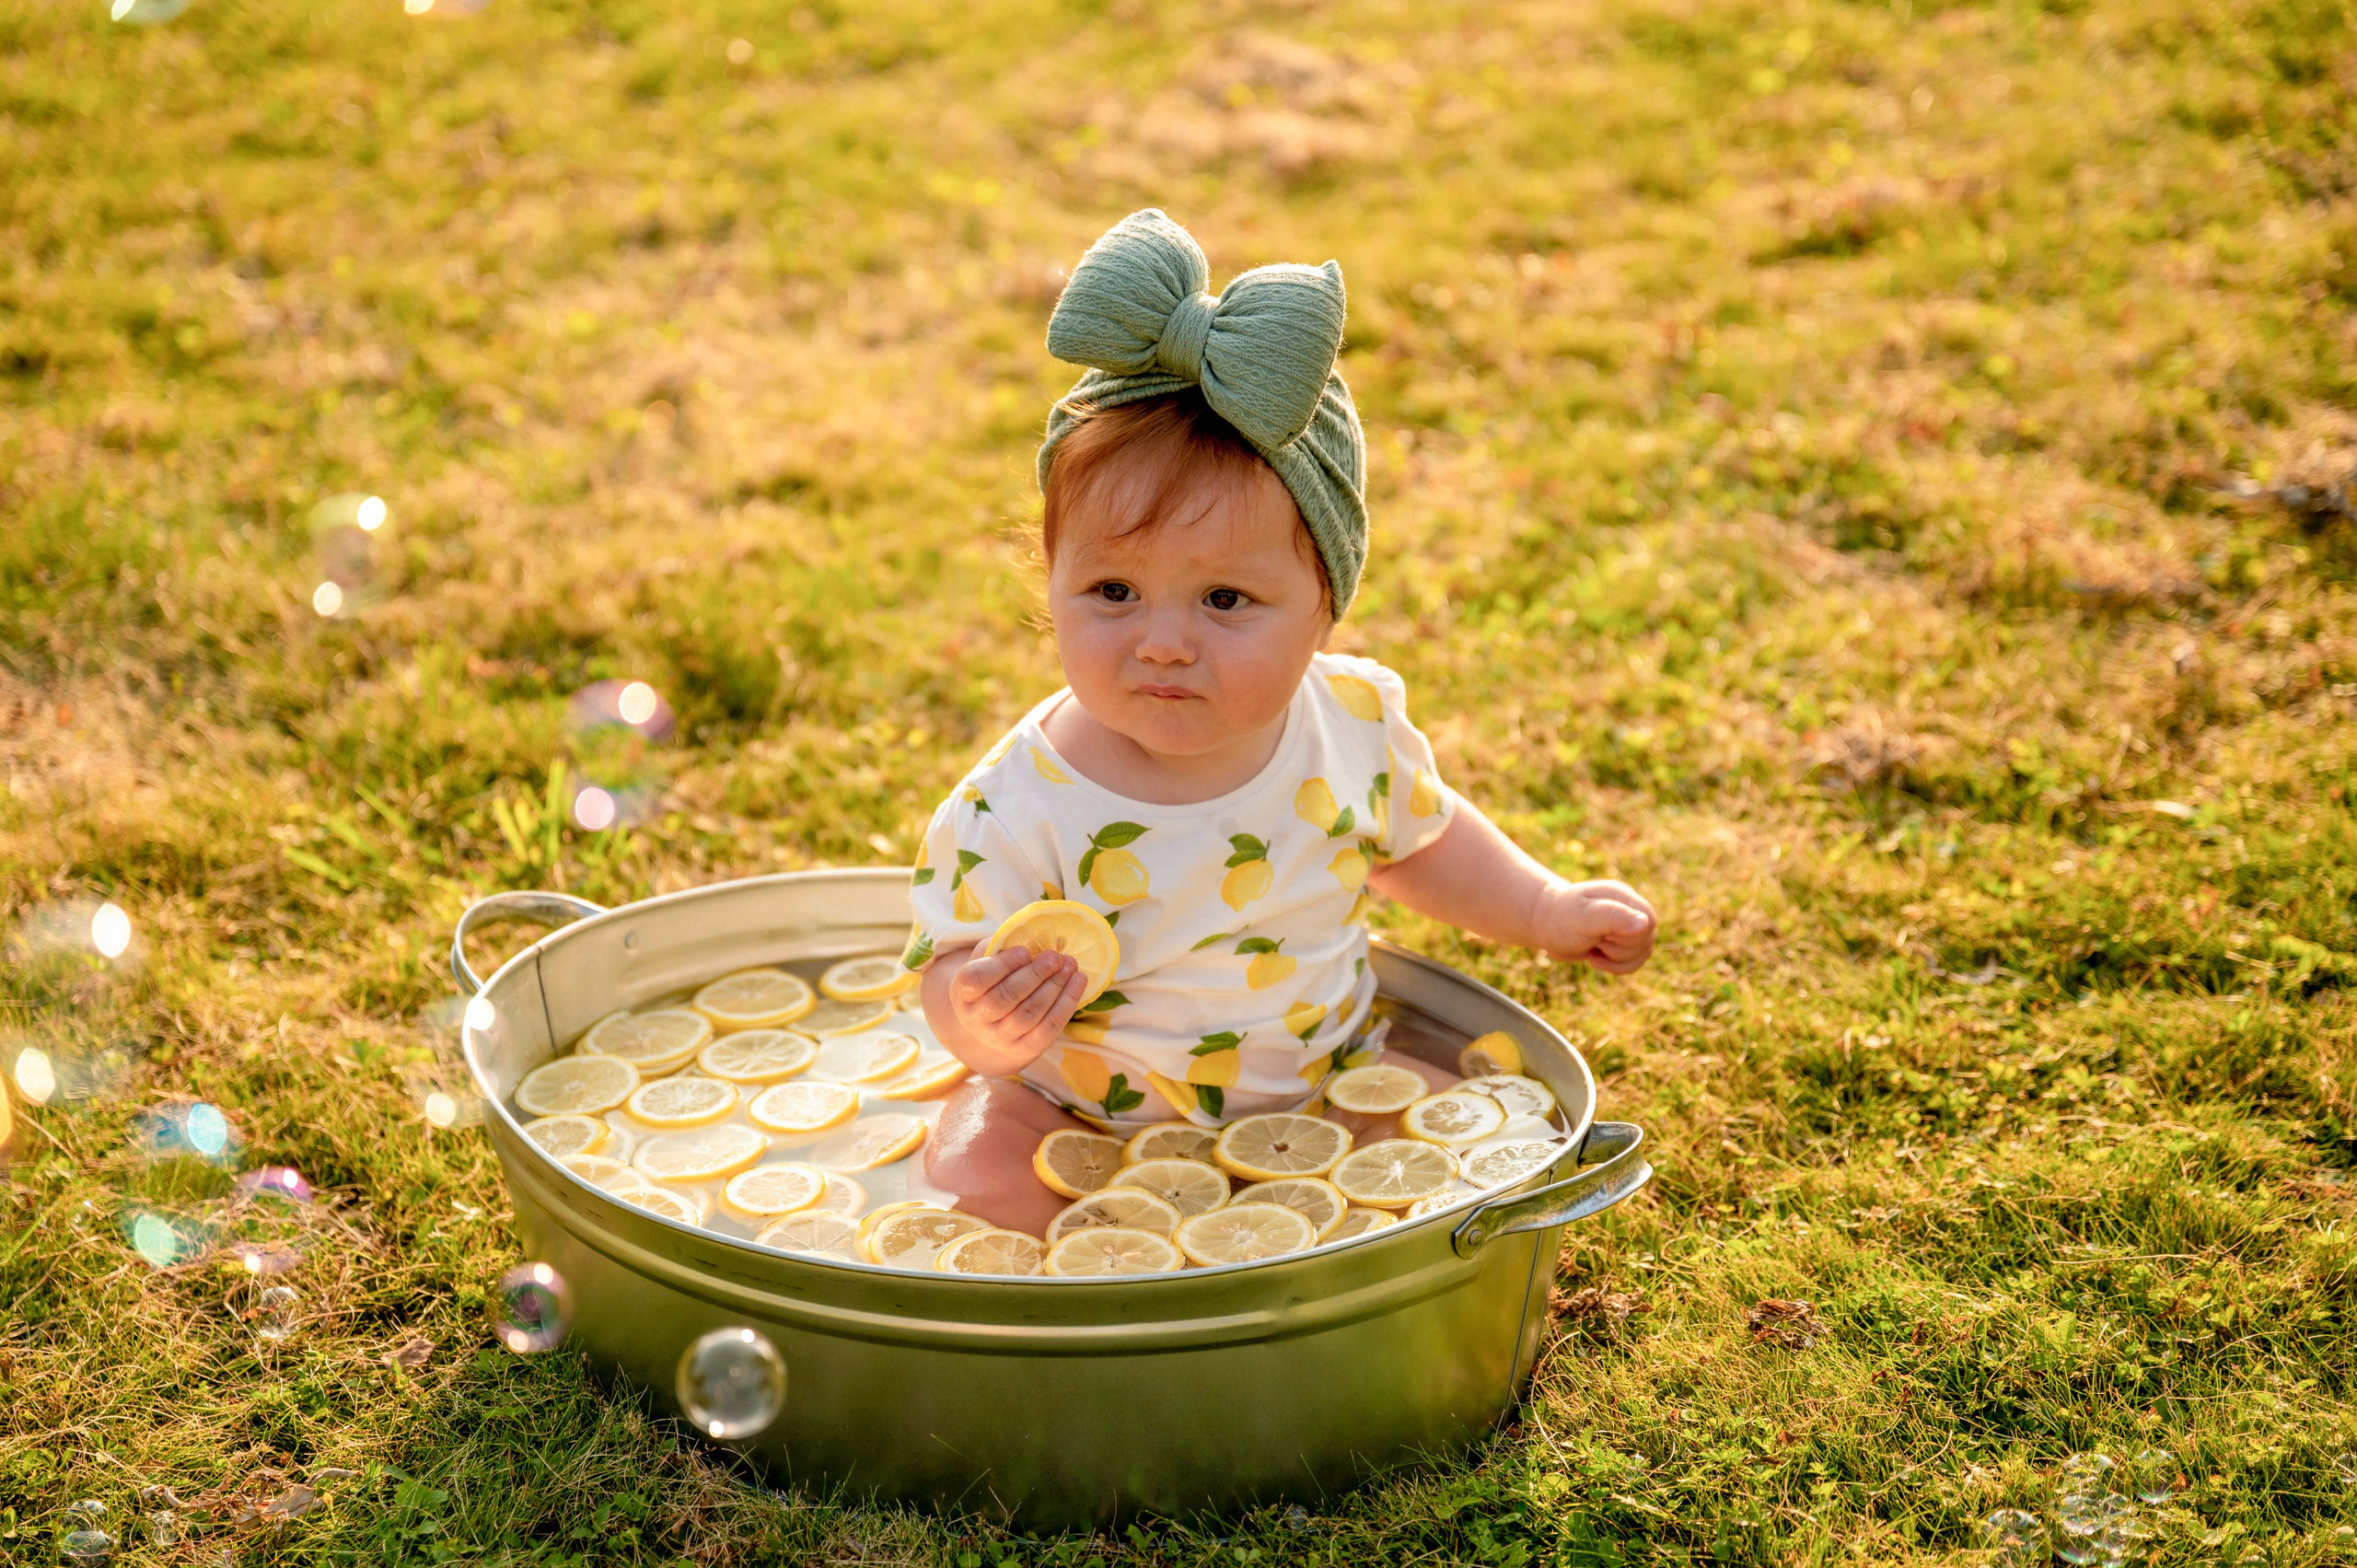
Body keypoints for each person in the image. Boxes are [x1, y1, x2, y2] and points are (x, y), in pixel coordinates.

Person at [904, 209, 1657, 1236]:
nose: (1162, 642)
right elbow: (948, 966)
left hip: (1322, 1088)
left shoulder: (1346, 721)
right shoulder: (1021, 797)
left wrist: (1543, 907)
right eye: (1113, 590)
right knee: (971, 1185)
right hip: (1069, 1105)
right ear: (1052, 583)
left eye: (1222, 601)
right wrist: (979, 1018)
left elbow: (1421, 843)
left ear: (1323, 609)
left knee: (1450, 1150)